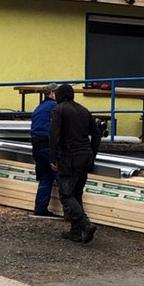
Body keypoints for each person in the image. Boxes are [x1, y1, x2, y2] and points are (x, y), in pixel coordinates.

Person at [48, 83, 101, 243]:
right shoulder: (84, 110)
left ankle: (85, 224)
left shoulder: (58, 110)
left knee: (66, 193)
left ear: (59, 96)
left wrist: (52, 157)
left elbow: (54, 135)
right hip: (85, 155)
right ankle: (76, 231)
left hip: (70, 156)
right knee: (77, 192)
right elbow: (97, 134)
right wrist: (92, 154)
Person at [29, 83, 61, 218]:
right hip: (48, 145)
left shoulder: (39, 108)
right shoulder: (54, 107)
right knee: (60, 176)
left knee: (45, 177)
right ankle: (71, 212)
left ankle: (40, 208)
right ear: (52, 93)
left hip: (36, 146)